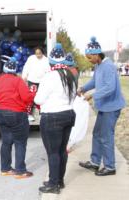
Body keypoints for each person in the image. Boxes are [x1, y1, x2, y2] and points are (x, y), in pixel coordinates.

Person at [78, 37, 126, 176]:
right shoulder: (98, 65)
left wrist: (92, 95)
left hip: (111, 107)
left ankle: (110, 166)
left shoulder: (109, 66)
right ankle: (95, 162)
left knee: (106, 136)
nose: (89, 60)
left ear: (96, 54)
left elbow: (109, 88)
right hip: (104, 107)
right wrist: (83, 88)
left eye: (89, 57)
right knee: (97, 134)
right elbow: (94, 81)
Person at [0, 59, 35, 179]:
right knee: (20, 142)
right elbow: (26, 98)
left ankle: (5, 168)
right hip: (16, 113)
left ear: (4, 70)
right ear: (15, 71)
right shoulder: (18, 81)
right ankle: (20, 171)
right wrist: (32, 94)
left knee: (6, 141)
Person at [35, 43, 77, 194]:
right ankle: (59, 180)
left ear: (51, 61)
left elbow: (38, 100)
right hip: (68, 114)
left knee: (53, 152)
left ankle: (53, 184)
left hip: (52, 117)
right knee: (62, 151)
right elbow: (73, 97)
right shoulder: (70, 75)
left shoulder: (49, 77)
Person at [21, 46, 50, 121]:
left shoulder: (46, 60)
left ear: (42, 53)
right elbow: (26, 67)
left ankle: (42, 113)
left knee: (42, 97)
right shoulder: (31, 58)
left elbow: (48, 71)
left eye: (39, 53)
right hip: (32, 80)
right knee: (31, 97)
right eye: (36, 53)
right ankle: (29, 113)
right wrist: (24, 76)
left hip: (42, 82)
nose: (38, 55)